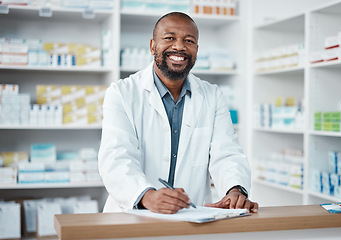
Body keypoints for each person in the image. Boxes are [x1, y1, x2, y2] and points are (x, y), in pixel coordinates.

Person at [98, 12, 258, 214]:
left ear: (196, 50)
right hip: (132, 217)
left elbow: (226, 153)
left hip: (191, 217)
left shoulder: (212, 95)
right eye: (169, 38)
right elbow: (116, 158)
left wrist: (235, 189)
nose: (179, 46)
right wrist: (146, 195)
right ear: (152, 46)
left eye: (188, 41)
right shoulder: (121, 93)